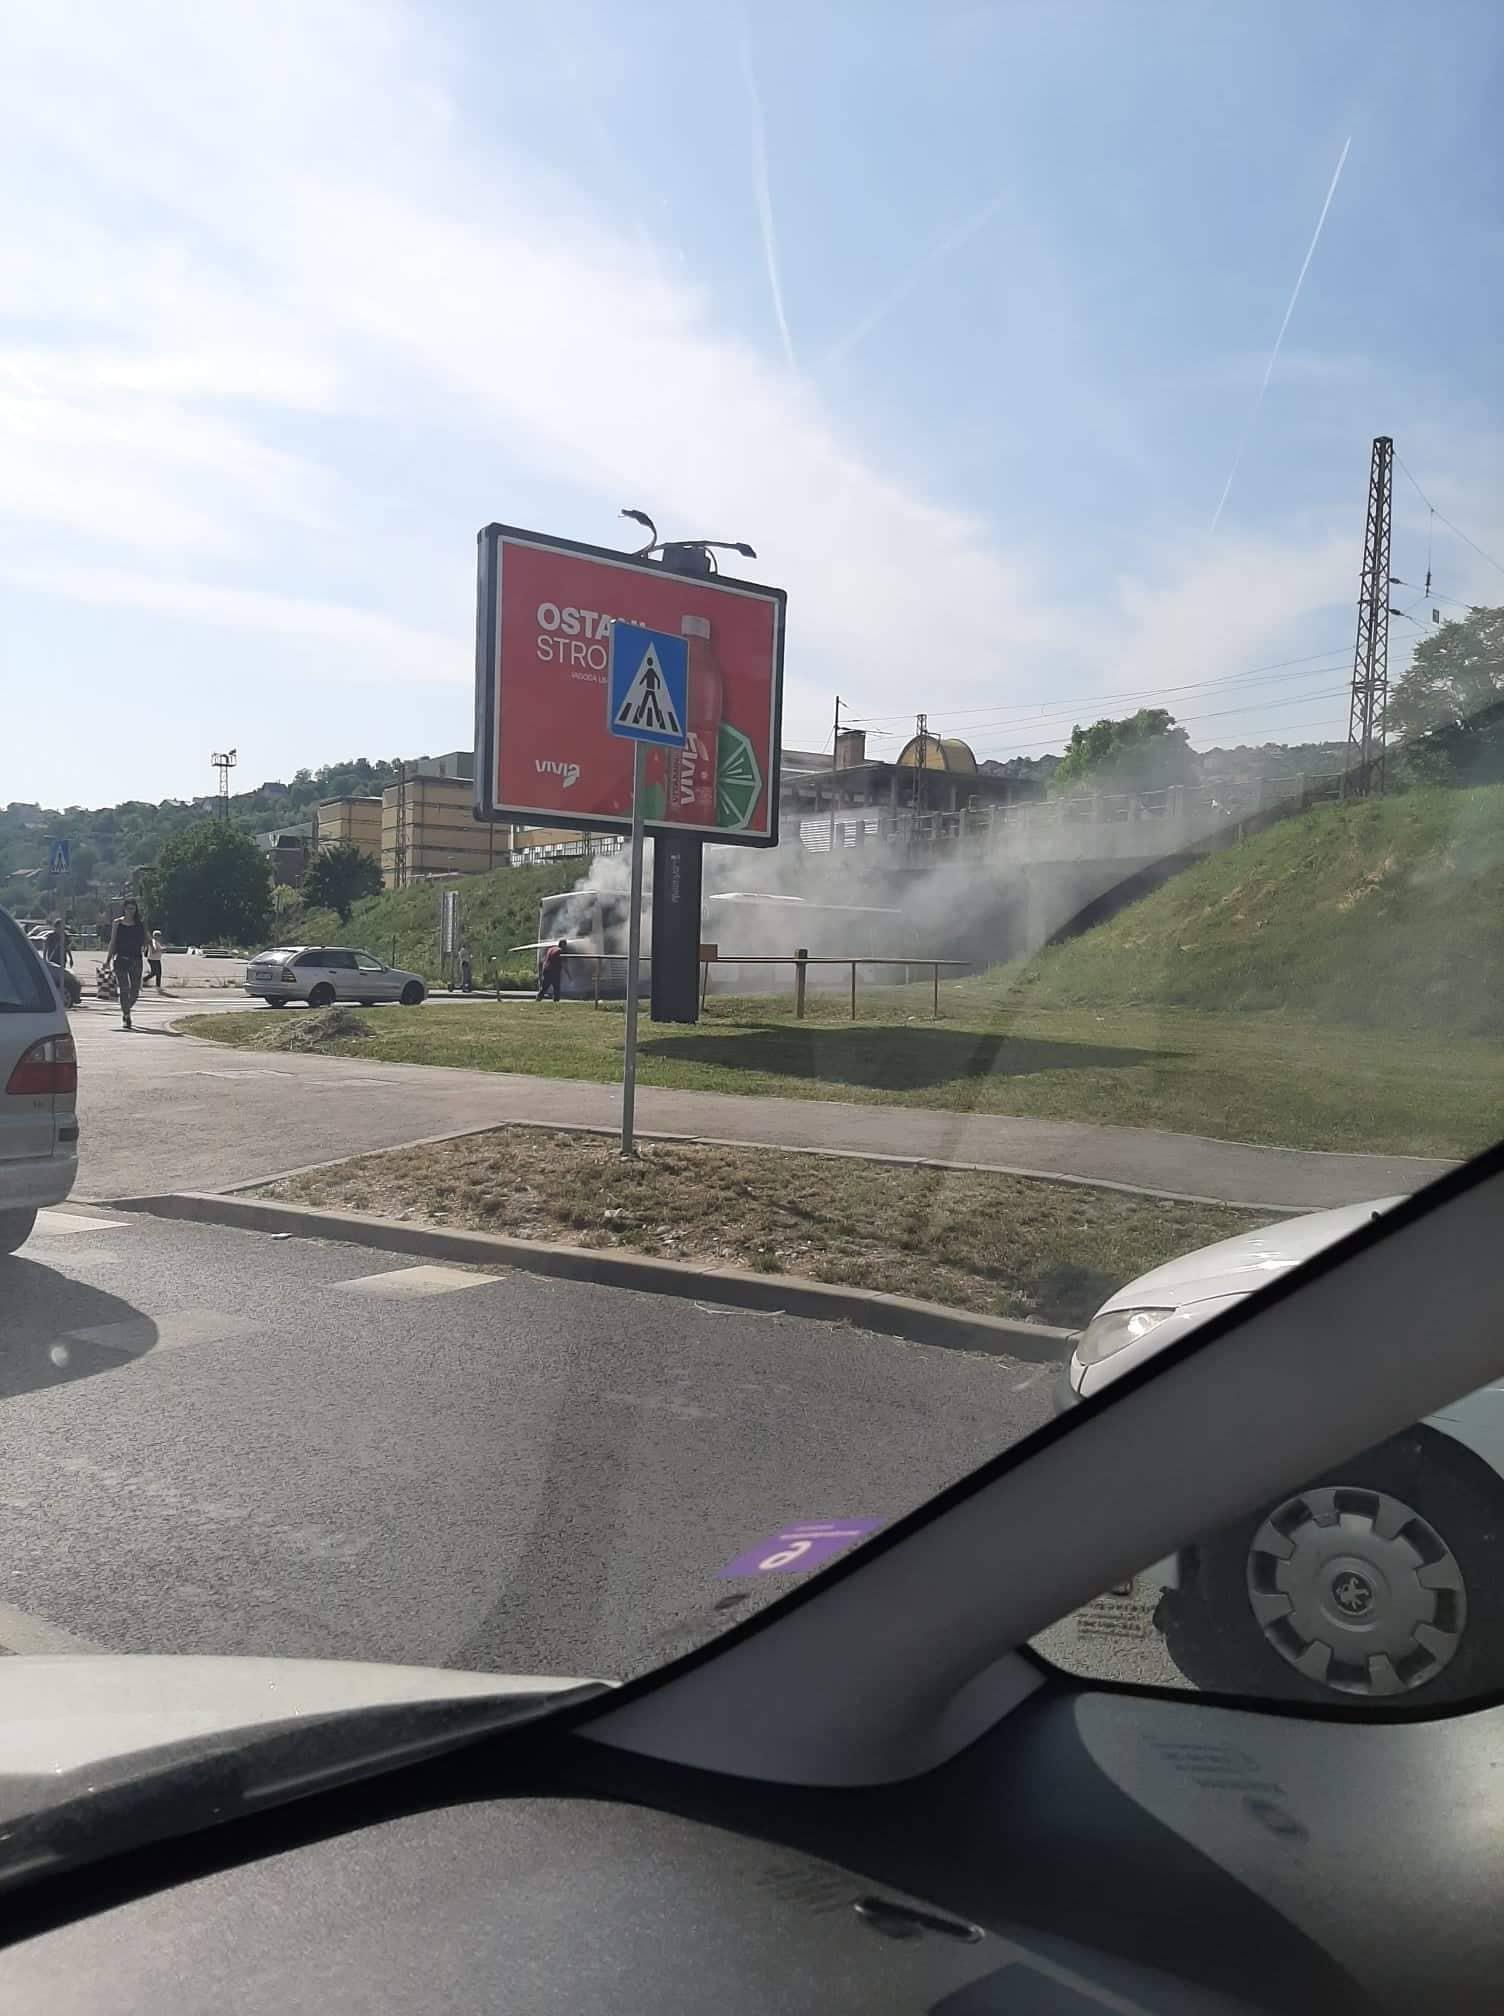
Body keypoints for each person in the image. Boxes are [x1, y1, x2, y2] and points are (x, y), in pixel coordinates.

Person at [106, 898, 147, 1030]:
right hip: (121, 959)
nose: (130, 911)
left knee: (134, 992)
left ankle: (126, 1009)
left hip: (136, 959)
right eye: (128, 908)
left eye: (133, 908)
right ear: (124, 909)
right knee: (124, 989)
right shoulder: (117, 923)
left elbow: (146, 939)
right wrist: (108, 960)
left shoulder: (139, 924)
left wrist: (149, 944)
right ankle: (127, 1015)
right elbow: (113, 942)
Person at [537, 937, 567, 1003]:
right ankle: (556, 1000)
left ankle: (539, 998)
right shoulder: (559, 950)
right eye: (565, 944)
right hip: (553, 970)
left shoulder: (551, 948)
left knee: (545, 986)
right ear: (562, 944)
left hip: (546, 969)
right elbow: (558, 961)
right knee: (556, 987)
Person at [145, 927, 165, 991]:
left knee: (156, 973)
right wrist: (162, 949)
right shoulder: (154, 942)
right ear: (155, 936)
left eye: (160, 935)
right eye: (158, 935)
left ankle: (157, 986)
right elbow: (154, 950)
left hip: (155, 959)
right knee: (156, 973)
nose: (160, 937)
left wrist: (161, 950)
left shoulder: (156, 942)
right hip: (153, 959)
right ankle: (144, 980)